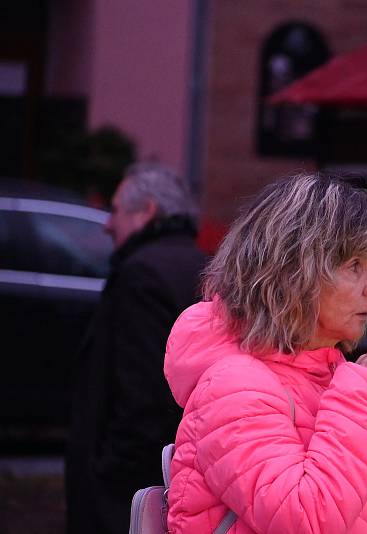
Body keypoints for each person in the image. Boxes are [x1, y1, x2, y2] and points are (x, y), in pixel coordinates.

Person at [163, 173, 367, 533]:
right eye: (354, 266)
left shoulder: (319, 372)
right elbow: (307, 518)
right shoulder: (235, 386)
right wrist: (363, 394)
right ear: (295, 274)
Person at [65, 162, 208, 534]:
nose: (106, 224)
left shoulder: (141, 274)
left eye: (115, 210)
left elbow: (141, 395)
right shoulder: (203, 266)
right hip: (177, 473)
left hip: (128, 491)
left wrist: (106, 477)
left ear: (146, 211)